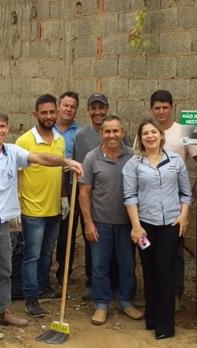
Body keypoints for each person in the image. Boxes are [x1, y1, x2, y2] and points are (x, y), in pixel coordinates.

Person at [0, 110, 83, 338]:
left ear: (7, 130)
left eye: (2, 127)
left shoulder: (13, 152)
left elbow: (41, 158)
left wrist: (65, 161)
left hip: (4, 221)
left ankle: (2, 311)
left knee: (5, 269)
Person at [123, 119, 192, 339]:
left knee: (164, 271)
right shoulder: (134, 164)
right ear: (140, 138)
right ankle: (151, 317)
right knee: (149, 270)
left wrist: (184, 215)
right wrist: (136, 226)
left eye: (154, 132)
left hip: (171, 225)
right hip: (145, 226)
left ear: (161, 136)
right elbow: (130, 196)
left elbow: (186, 192)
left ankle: (165, 325)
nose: (150, 136)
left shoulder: (176, 161)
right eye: (145, 133)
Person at [79, 115, 143, 326]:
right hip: (100, 223)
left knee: (127, 264)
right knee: (99, 265)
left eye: (116, 131)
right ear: (101, 133)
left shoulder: (133, 157)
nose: (112, 135)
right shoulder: (91, 158)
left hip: (126, 223)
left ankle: (126, 301)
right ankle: (101, 304)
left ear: (122, 133)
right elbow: (84, 192)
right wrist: (88, 222)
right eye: (107, 131)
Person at [16, 94, 66, 317]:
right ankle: (31, 298)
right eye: (43, 112)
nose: (48, 116)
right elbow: (14, 176)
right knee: (32, 256)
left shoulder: (60, 140)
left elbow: (60, 173)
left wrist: (63, 198)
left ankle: (44, 286)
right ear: (35, 114)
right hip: (32, 211)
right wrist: (15, 206)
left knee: (47, 253)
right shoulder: (24, 141)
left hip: (54, 209)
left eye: (51, 112)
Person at [149, 89, 197, 312]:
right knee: (152, 249)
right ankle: (156, 293)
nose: (161, 112)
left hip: (176, 202)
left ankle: (175, 293)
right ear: (152, 109)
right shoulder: (148, 132)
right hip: (149, 203)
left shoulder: (184, 130)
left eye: (165, 107)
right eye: (157, 108)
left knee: (175, 249)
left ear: (172, 107)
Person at [71, 93, 121, 300]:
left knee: (116, 247)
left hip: (112, 200)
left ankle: (115, 285)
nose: (98, 112)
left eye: (102, 108)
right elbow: (75, 167)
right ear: (88, 111)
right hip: (88, 199)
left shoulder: (117, 133)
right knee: (93, 241)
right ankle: (92, 283)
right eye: (94, 108)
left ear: (107, 109)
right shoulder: (81, 136)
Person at [53, 91, 82, 285]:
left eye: (73, 107)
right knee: (46, 232)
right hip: (48, 184)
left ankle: (64, 273)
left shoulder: (79, 133)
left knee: (67, 232)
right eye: (66, 105)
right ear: (58, 107)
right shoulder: (47, 129)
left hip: (70, 186)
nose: (69, 109)